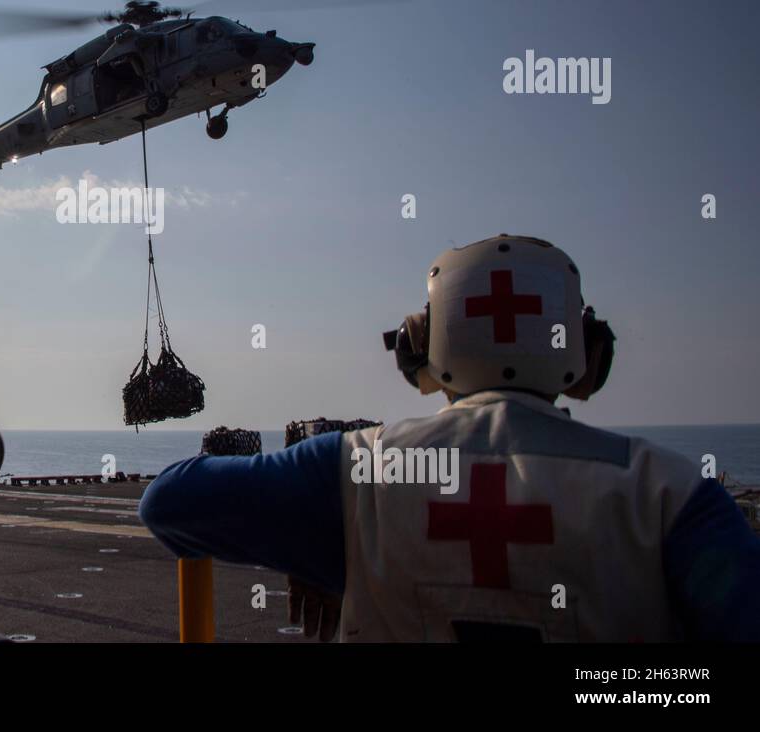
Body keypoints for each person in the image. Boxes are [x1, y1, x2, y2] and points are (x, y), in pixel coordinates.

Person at [140, 235, 760, 641]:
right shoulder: (672, 494)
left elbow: (169, 503)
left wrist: (320, 542)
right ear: (585, 353)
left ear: (422, 350)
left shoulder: (358, 474)